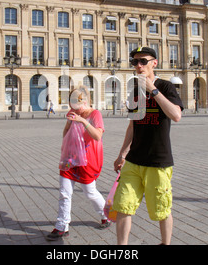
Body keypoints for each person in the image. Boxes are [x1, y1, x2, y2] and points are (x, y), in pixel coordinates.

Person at [113, 47, 183, 245]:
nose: (138, 66)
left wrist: (153, 90)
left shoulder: (167, 87)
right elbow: (133, 125)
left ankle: (165, 243)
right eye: (134, 62)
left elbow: (176, 115)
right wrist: (122, 154)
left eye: (143, 61)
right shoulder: (135, 91)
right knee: (123, 206)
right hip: (134, 161)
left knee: (161, 209)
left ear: (155, 63)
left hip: (158, 161)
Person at [47, 86, 110, 241]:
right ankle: (62, 226)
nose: (74, 107)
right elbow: (65, 135)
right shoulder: (72, 113)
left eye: (77, 103)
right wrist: (69, 122)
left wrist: (82, 121)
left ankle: (106, 215)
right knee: (64, 193)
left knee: (90, 192)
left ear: (86, 101)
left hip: (88, 160)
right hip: (70, 158)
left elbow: (97, 136)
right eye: (72, 103)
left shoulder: (95, 114)